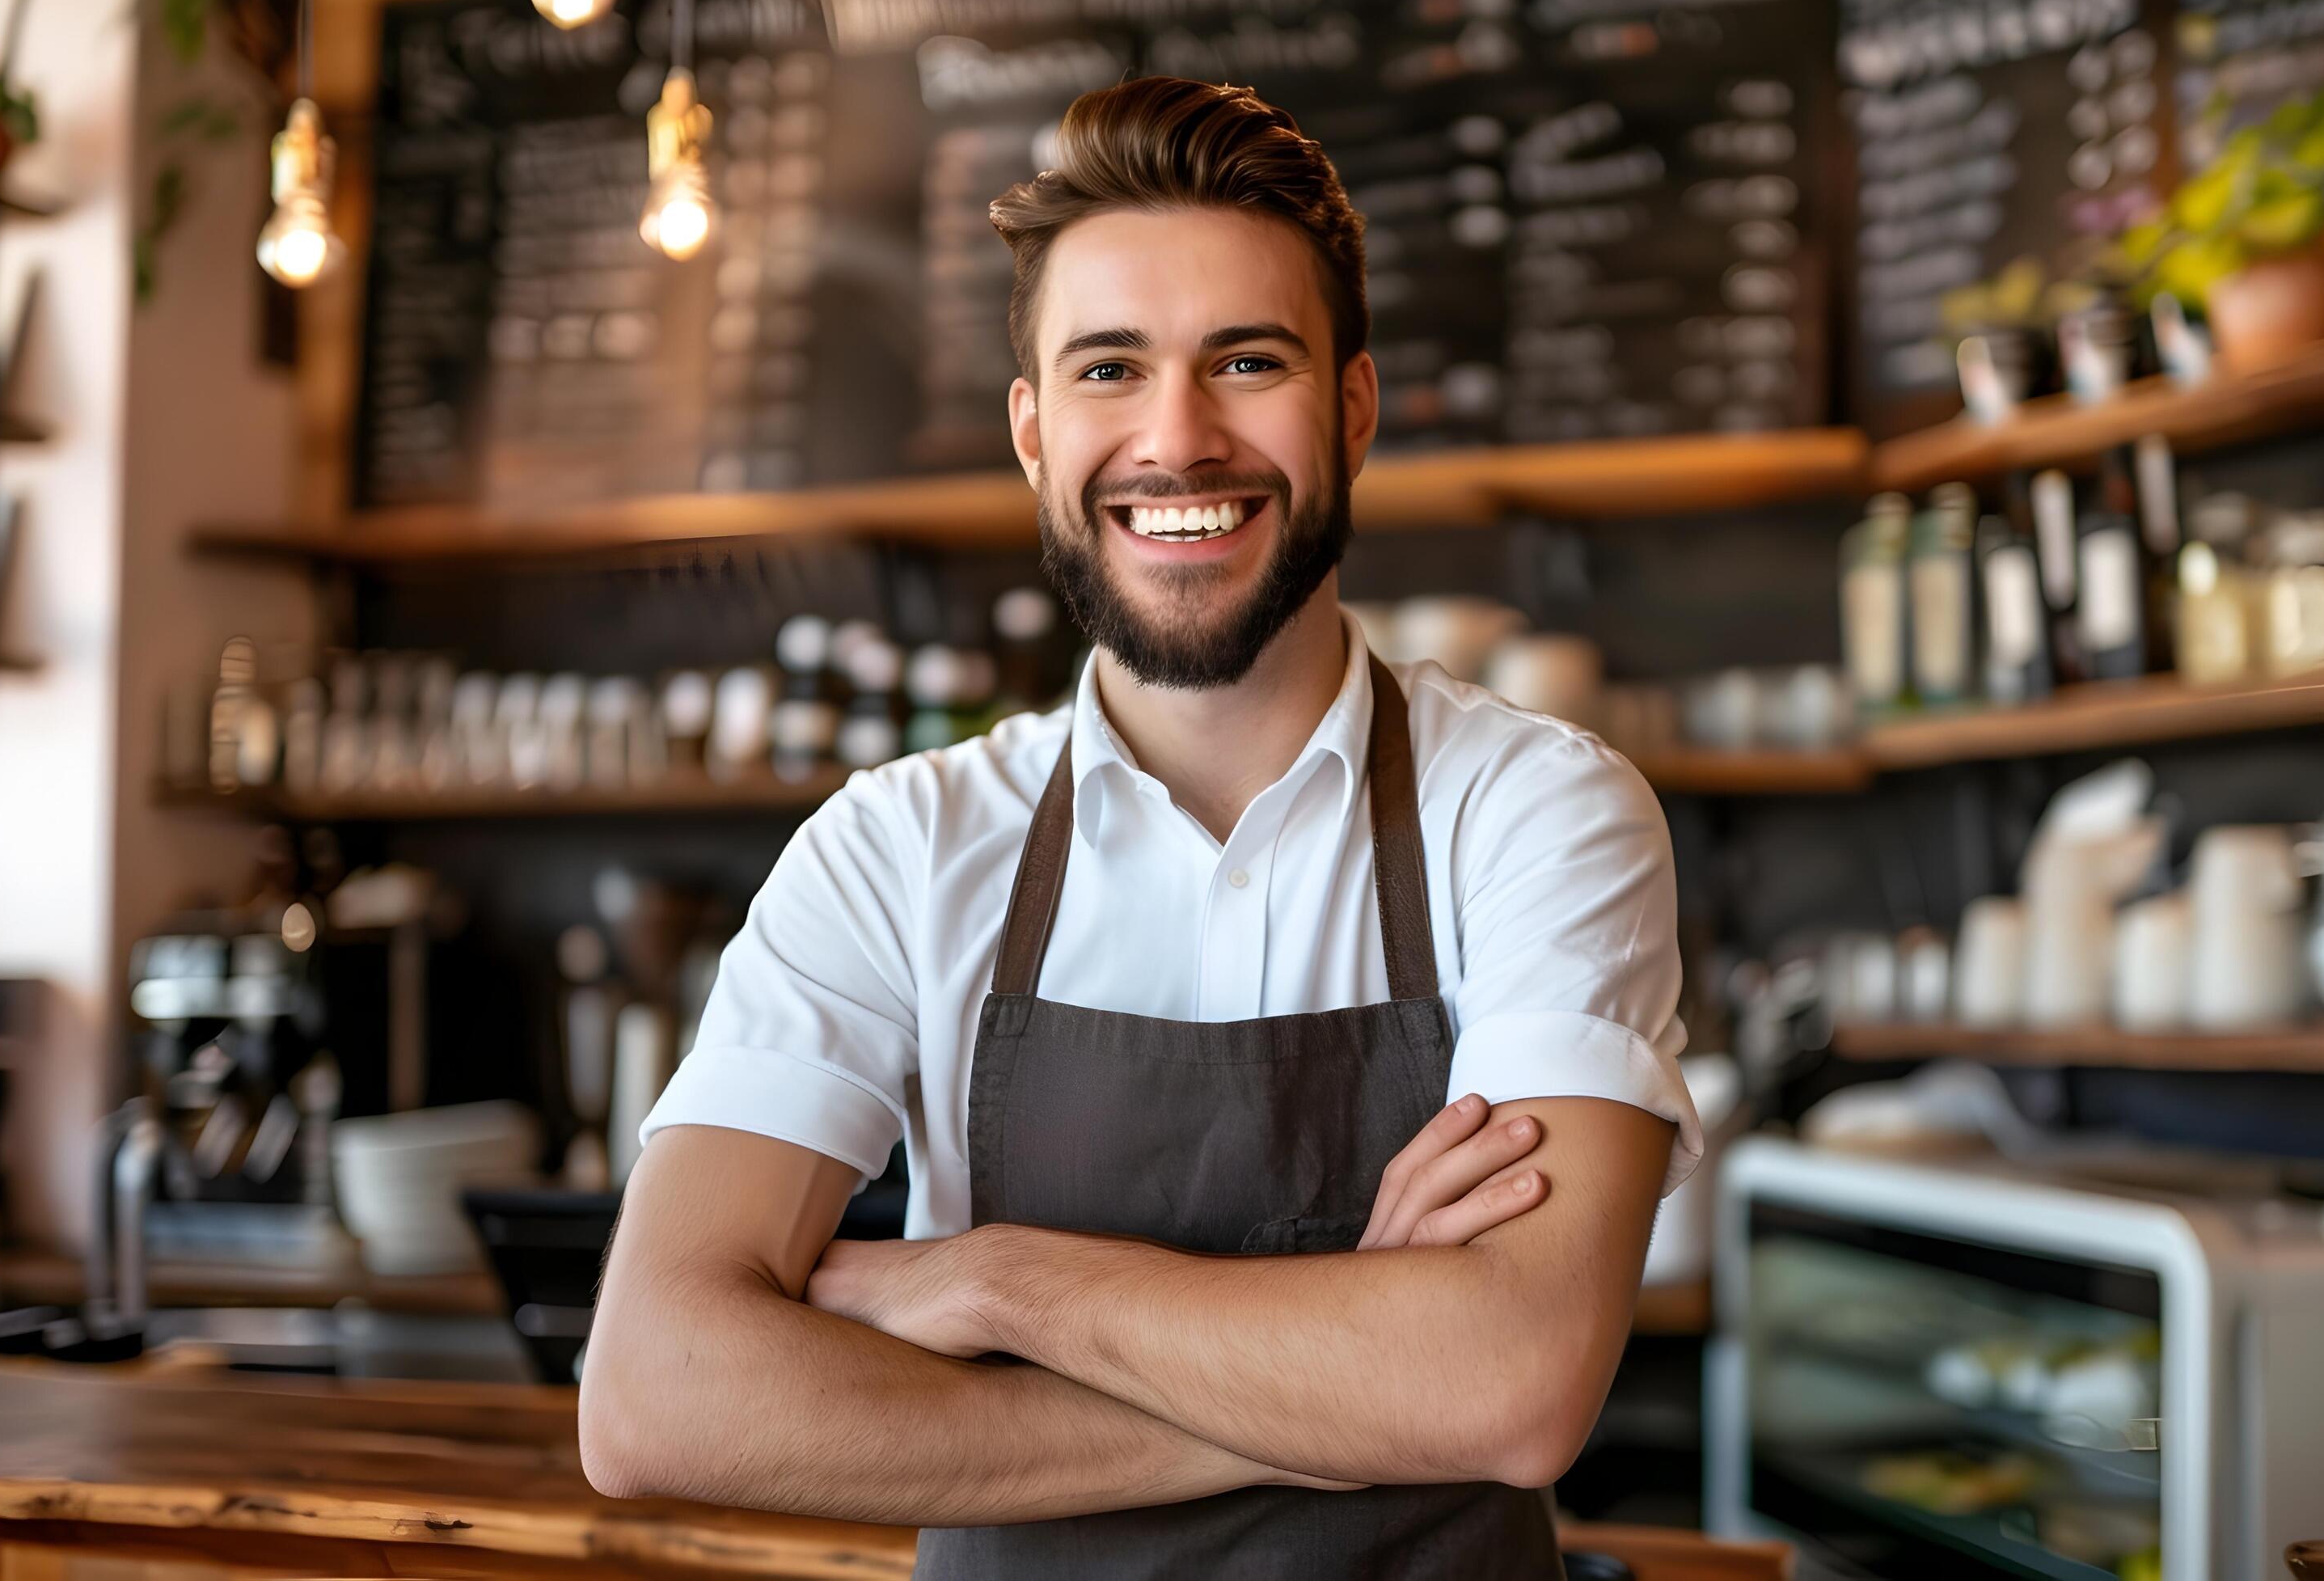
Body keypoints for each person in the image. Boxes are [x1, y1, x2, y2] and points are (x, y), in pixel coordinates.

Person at [579, 76, 1701, 1579]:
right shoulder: (895, 849)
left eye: (1246, 361)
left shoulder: (1535, 811)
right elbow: (656, 1397)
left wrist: (994, 1286)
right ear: (1034, 434)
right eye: (1110, 370)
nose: (1176, 440)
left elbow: (1509, 1387)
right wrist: (1352, 1383)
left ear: (1350, 410)